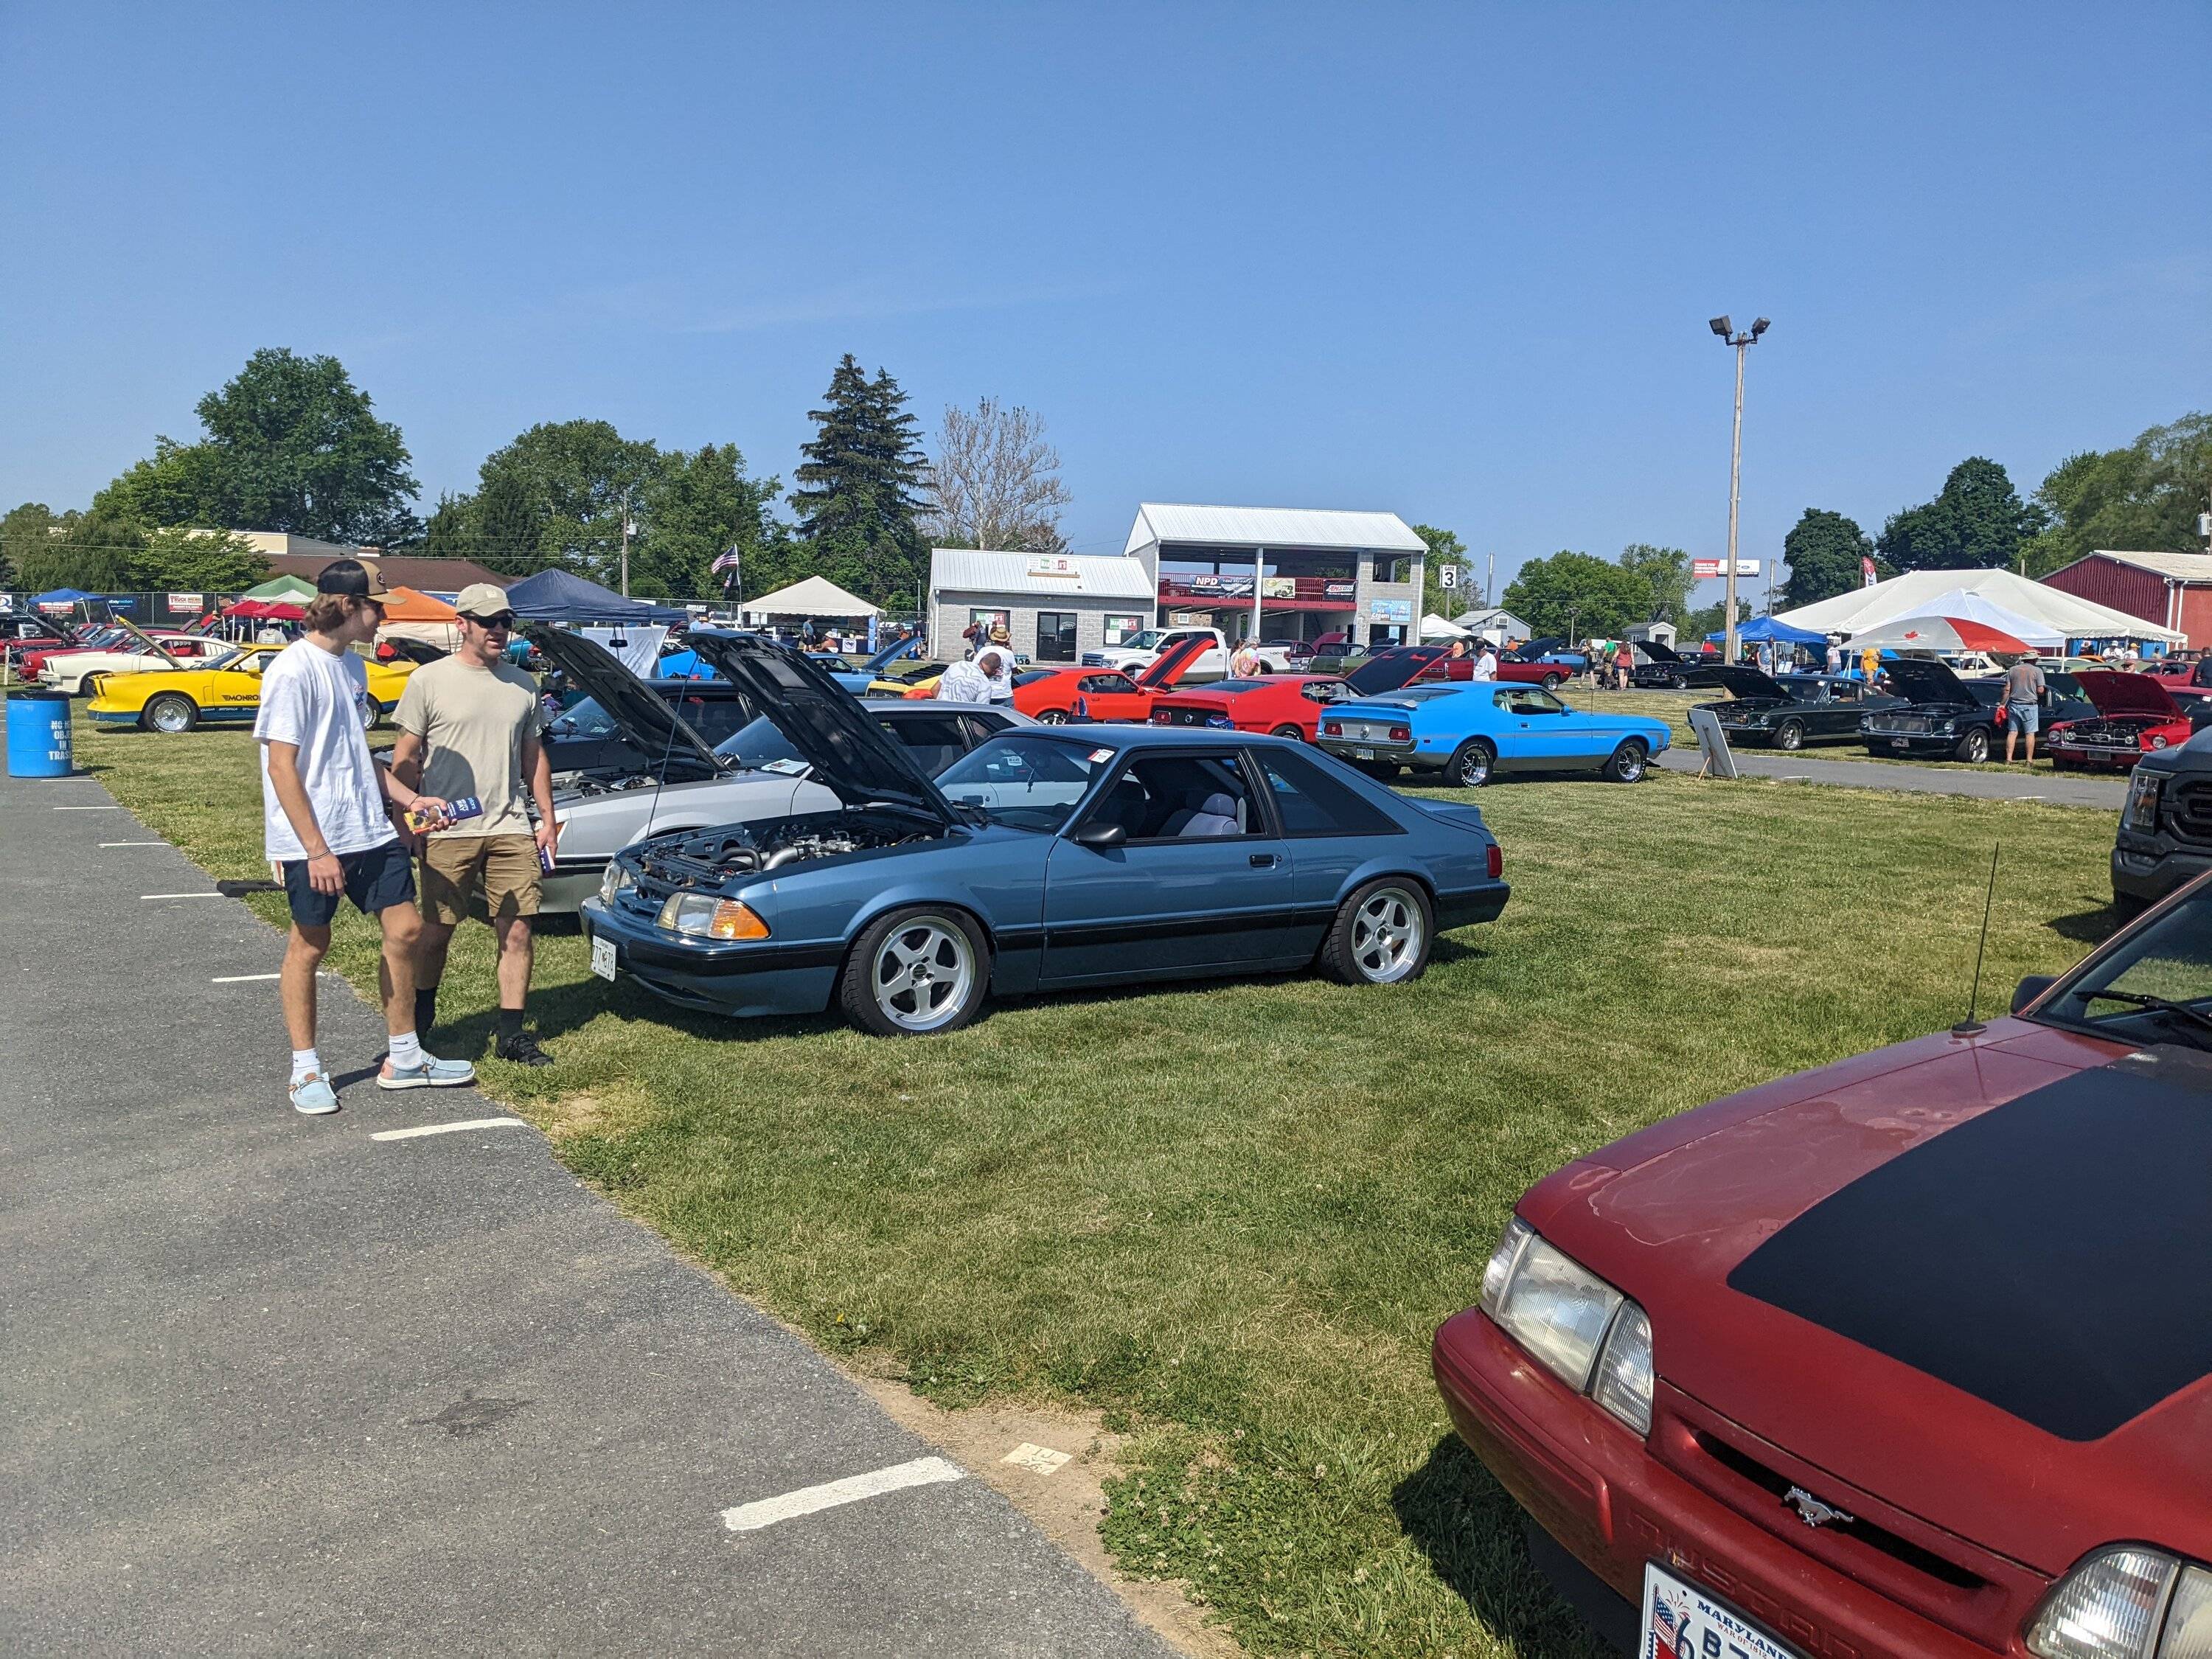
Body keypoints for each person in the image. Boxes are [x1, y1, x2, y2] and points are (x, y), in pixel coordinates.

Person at [254, 558, 473, 1115]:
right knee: (310, 946)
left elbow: (355, 756)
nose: (383, 620)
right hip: (316, 840)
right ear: (349, 606)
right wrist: (317, 850)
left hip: (368, 831)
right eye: (378, 608)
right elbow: (283, 767)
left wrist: (409, 799)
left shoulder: (353, 668)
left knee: (406, 930)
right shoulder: (292, 670)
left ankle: (404, 1056)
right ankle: (305, 1071)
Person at [389, 585, 560, 1067]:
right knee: (436, 932)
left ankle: (511, 1035)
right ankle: (421, 1021)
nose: (499, 630)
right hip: (448, 829)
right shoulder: (429, 680)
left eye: (505, 621)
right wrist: (409, 823)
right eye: (488, 621)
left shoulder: (524, 686)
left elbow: (534, 758)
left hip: (510, 824)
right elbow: (406, 757)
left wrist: (545, 820)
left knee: (518, 931)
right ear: (462, 623)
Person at [2001, 647, 2048, 765]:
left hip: (2014, 704)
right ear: (2034, 660)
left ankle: (2008, 759)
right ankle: (2029, 760)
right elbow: (2041, 690)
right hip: (2030, 705)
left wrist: (2002, 704)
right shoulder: (2037, 671)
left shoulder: (2012, 670)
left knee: (2012, 732)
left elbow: (2007, 689)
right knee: (2030, 733)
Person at [936, 647, 1006, 703]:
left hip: (941, 716)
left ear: (981, 660)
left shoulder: (958, 665)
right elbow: (981, 711)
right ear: (995, 671)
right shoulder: (984, 683)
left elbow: (935, 689)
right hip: (961, 719)